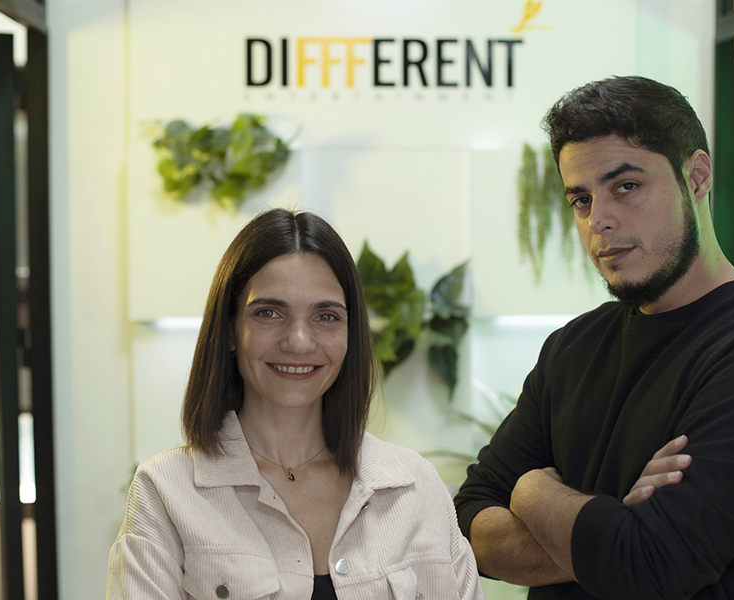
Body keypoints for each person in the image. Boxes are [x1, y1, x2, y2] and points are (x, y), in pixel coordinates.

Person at [453, 75, 734, 599]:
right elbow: (468, 525)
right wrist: (613, 528)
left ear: (696, 177)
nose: (600, 221)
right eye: (581, 199)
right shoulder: (571, 347)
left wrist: (534, 492)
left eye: (626, 187)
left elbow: (651, 567)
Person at [107, 208, 484, 600]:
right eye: (269, 313)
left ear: (349, 333)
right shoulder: (165, 491)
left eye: (325, 316)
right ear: (231, 330)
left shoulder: (416, 487)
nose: (299, 341)